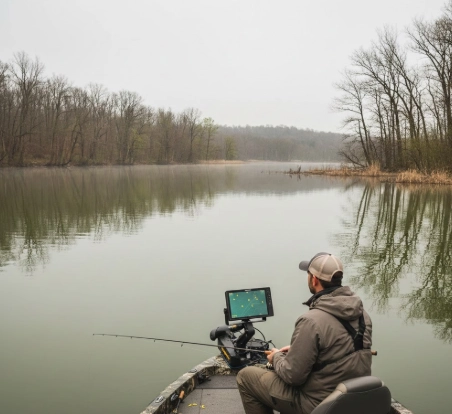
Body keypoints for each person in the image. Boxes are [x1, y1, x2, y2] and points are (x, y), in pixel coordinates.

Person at [237, 252, 373, 414]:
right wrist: (297, 350)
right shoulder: (363, 314)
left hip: (317, 404)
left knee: (246, 376)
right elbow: (338, 350)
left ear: (314, 279)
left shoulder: (311, 320)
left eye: (308, 274)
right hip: (352, 398)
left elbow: (293, 377)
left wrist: (276, 357)